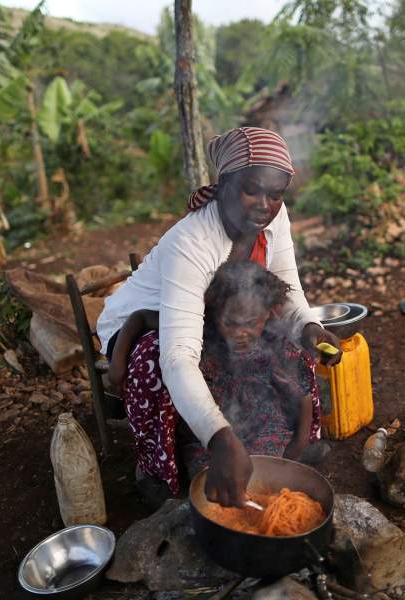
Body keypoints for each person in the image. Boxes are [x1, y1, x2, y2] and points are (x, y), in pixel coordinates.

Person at [97, 127, 341, 508]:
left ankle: (289, 444)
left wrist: (308, 326)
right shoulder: (191, 242)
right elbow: (177, 356)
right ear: (224, 183)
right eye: (252, 190)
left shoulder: (273, 219)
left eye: (275, 194)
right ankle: (159, 470)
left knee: (290, 347)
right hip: (146, 325)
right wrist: (220, 438)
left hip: (220, 317)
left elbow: (288, 288)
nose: (265, 204)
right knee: (155, 362)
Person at [110, 261, 322, 488]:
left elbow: (302, 392)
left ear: (268, 313)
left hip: (263, 424)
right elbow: (140, 318)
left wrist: (297, 448)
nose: (240, 333)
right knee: (210, 476)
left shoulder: (276, 341)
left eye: (251, 324)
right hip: (209, 432)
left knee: (263, 472)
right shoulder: (199, 324)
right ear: (214, 311)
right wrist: (118, 363)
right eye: (230, 323)